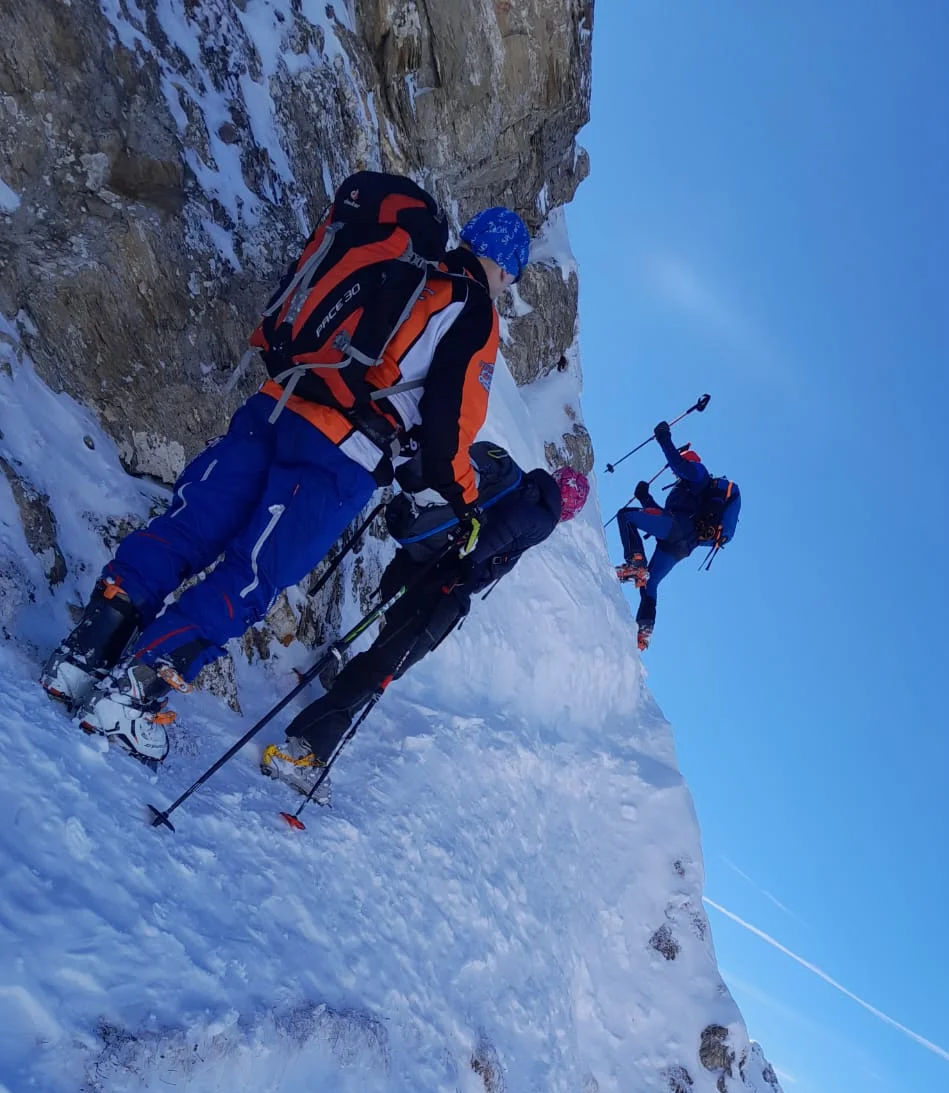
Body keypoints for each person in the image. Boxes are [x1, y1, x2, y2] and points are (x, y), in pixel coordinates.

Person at [40, 173, 531, 763]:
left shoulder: (408, 267)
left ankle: (81, 659)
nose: (506, 288)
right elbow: (451, 423)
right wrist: (464, 495)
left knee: (188, 529)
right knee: (253, 574)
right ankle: (130, 697)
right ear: (504, 268)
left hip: (275, 406)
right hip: (337, 454)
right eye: (512, 278)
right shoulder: (473, 308)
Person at [260, 451, 589, 794]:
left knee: (380, 659)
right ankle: (304, 751)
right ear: (568, 507)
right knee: (383, 670)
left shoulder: (518, 483)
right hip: (440, 592)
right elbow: (499, 534)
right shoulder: (542, 516)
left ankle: (330, 699)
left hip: (414, 566)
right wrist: (468, 567)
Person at [614, 421, 740, 650]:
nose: (674, 472)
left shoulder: (699, 474)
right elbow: (662, 516)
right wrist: (645, 497)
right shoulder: (688, 491)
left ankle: (634, 563)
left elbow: (680, 466)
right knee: (649, 583)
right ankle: (644, 632)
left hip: (677, 530)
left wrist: (664, 439)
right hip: (681, 544)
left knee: (626, 516)